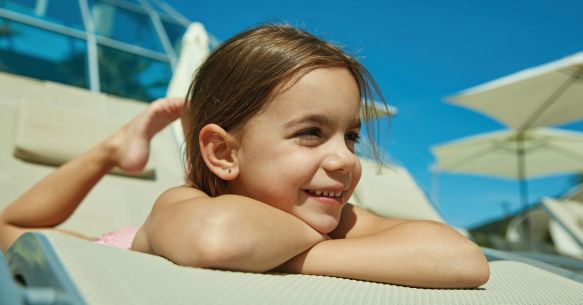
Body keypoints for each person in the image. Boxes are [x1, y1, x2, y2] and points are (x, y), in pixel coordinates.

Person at [0, 25, 489, 288]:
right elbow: (218, 240)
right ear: (222, 152)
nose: (344, 161)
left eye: (352, 137)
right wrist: (322, 248)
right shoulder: (182, 202)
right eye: (311, 133)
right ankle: (114, 148)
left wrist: (294, 252)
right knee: (7, 228)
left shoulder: (330, 219)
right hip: (102, 247)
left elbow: (463, 259)